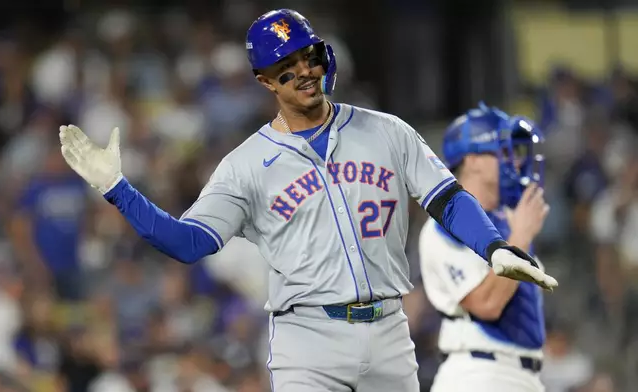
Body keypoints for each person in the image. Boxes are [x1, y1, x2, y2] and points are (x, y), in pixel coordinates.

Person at [57, 9, 557, 392]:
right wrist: (118, 190)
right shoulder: (245, 164)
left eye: (307, 56)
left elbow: (447, 199)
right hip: (308, 340)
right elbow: (189, 243)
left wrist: (494, 247)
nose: (303, 71)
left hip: (388, 329)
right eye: (286, 66)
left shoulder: (387, 132)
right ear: (265, 81)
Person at [419, 104, 550, 392]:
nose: (515, 162)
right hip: (479, 375)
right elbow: (486, 305)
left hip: (520, 375)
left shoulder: (507, 221)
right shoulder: (447, 223)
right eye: (503, 151)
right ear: (474, 159)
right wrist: (521, 236)